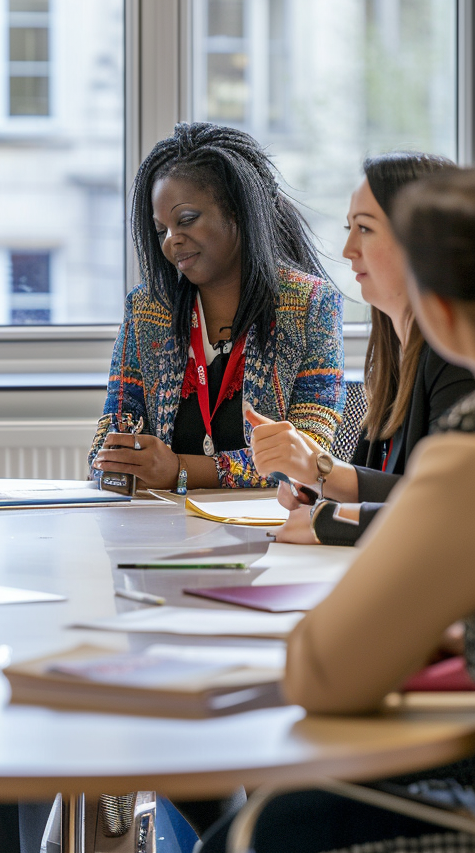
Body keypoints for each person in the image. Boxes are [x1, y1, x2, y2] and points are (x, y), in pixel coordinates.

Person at [200, 167, 475, 852]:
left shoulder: (467, 431)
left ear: (434, 293)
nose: (345, 250)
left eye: (364, 230)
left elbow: (324, 674)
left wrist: (329, 509)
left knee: (256, 827)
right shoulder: (388, 367)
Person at [89, 122, 344, 490]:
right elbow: (106, 445)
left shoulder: (310, 307)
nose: (172, 242)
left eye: (187, 220)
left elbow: (308, 456)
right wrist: (118, 459)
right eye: (161, 230)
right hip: (162, 528)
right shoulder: (147, 309)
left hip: (267, 532)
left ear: (238, 210)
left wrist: (179, 469)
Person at [247, 152, 474, 546]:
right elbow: (391, 487)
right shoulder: (391, 353)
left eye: (365, 229)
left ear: (421, 243)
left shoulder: (456, 356)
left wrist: (325, 488)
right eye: (349, 227)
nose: (349, 248)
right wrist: (318, 487)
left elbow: (445, 510)